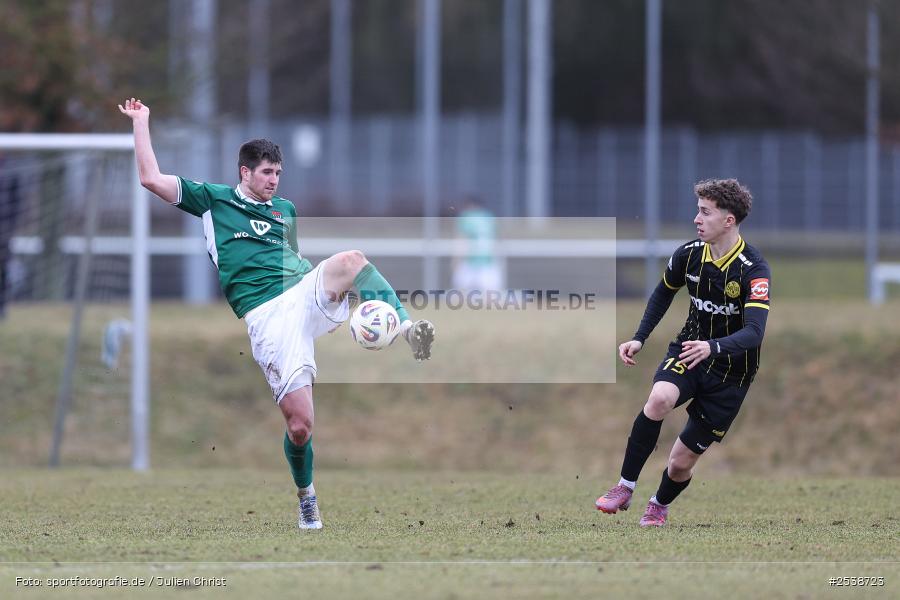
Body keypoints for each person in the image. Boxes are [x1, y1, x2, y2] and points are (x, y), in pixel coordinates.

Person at [118, 97, 434, 531]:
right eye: (266, 172)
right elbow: (150, 178)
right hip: (267, 317)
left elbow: (292, 258)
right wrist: (142, 121)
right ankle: (307, 499)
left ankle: (408, 327)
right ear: (245, 172)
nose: (273, 180)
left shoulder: (285, 211)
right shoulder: (213, 200)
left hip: (301, 292)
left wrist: (332, 291)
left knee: (352, 260)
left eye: (278, 173)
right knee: (301, 425)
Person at [595, 178, 770, 527]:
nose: (697, 219)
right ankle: (624, 486)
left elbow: (754, 332)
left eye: (705, 212)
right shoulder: (688, 254)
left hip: (731, 373)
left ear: (728, 220)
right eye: (698, 210)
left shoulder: (754, 270)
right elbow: (663, 293)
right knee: (659, 398)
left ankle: (658, 504)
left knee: (680, 463)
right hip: (690, 351)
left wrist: (714, 347)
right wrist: (639, 337)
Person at [452, 196, 503, 293]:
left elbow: (461, 239)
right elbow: (497, 239)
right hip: (488, 260)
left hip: (470, 260)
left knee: (460, 295)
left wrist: (456, 259)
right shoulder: (489, 217)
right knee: (492, 297)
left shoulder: (466, 217)